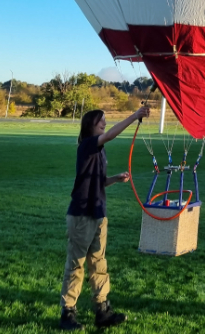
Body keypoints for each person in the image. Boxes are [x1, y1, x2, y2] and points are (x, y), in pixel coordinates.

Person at [59, 104, 150, 331]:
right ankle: (67, 313)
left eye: (106, 120)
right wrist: (135, 115)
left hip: (99, 214)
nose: (105, 123)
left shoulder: (99, 151)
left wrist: (115, 179)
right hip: (81, 215)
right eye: (102, 120)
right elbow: (110, 135)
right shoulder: (88, 145)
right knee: (76, 265)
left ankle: (103, 311)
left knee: (99, 264)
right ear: (91, 125)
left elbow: (97, 181)